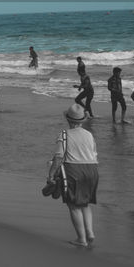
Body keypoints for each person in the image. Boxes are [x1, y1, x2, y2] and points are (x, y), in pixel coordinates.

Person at [52, 104, 99, 248]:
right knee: (85, 203)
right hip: (92, 170)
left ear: (68, 120)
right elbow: (94, 153)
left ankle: (81, 239)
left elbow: (59, 157)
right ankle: (90, 232)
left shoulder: (64, 134)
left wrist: (51, 174)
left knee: (73, 205)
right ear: (82, 120)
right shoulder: (89, 134)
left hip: (74, 170)